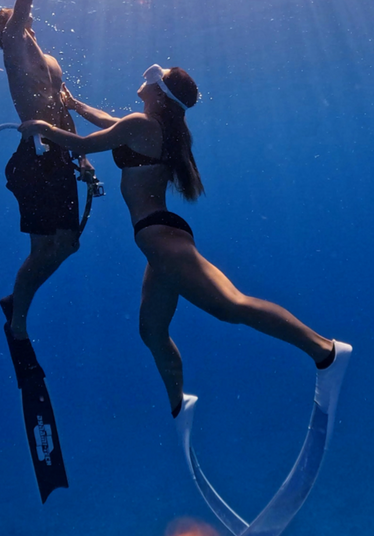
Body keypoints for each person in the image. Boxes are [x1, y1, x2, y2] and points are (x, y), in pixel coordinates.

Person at [19, 64, 347, 417]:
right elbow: (110, 122)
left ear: (160, 94)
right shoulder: (148, 126)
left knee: (230, 306)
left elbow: (84, 144)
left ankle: (325, 351)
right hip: (162, 238)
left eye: (155, 77)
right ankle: (180, 404)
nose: (146, 78)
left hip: (161, 239)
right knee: (152, 331)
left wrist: (43, 128)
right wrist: (75, 105)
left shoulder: (142, 124)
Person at [0, 0, 94, 340]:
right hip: (36, 154)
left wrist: (82, 158)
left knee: (63, 244)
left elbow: (63, 109)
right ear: (7, 22)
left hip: (57, 151)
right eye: (12, 13)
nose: (22, 12)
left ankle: (18, 302)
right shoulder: (13, 42)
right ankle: (18, 322)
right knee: (54, 245)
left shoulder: (48, 59)